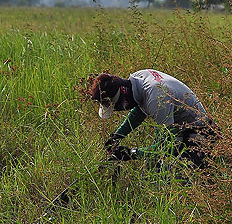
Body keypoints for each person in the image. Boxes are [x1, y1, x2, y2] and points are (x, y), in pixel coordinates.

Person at [88, 69, 219, 169]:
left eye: (117, 107)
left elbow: (166, 147)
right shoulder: (139, 79)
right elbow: (139, 111)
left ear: (124, 98)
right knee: (151, 168)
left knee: (175, 175)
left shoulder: (157, 98)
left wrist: (130, 153)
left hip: (199, 135)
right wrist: (117, 135)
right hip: (179, 128)